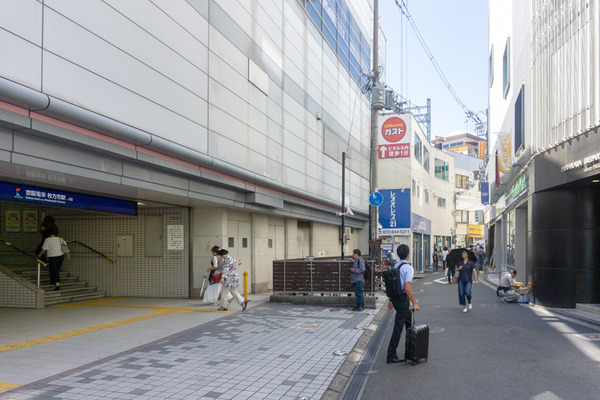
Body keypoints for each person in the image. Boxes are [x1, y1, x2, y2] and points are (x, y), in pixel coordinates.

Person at [386, 244, 419, 364]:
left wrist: (391, 300)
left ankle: (411, 352)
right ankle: (391, 354)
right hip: (402, 300)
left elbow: (392, 285)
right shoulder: (408, 268)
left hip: (395, 298)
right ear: (408, 254)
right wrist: (414, 302)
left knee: (409, 324)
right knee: (398, 327)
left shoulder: (396, 266)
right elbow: (407, 286)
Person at [37, 226, 70, 290]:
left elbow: (44, 249)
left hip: (53, 257)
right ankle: (53, 281)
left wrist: (40, 254)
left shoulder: (47, 240)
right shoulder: (60, 239)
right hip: (61, 256)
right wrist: (68, 254)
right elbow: (64, 246)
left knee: (55, 270)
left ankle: (57, 285)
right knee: (55, 269)